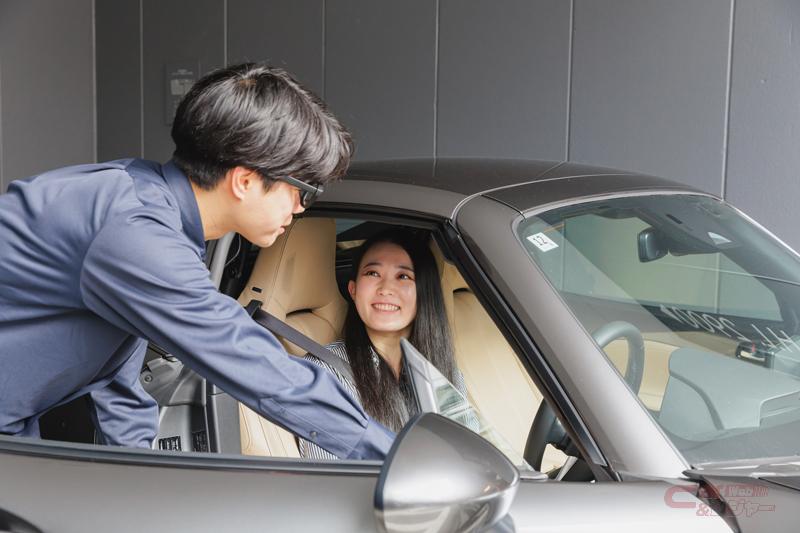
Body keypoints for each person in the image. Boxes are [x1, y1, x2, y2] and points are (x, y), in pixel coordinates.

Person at [0, 63, 393, 459]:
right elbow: (250, 362)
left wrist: (141, 476)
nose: (301, 209)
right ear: (245, 181)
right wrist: (390, 455)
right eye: (303, 192)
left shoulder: (148, 210)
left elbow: (117, 383)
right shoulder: (134, 230)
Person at [298, 229, 472, 460]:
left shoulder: (446, 374)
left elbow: (468, 459)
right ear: (353, 290)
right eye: (372, 273)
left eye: (403, 276)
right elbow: (331, 475)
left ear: (424, 293)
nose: (386, 289)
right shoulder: (326, 374)